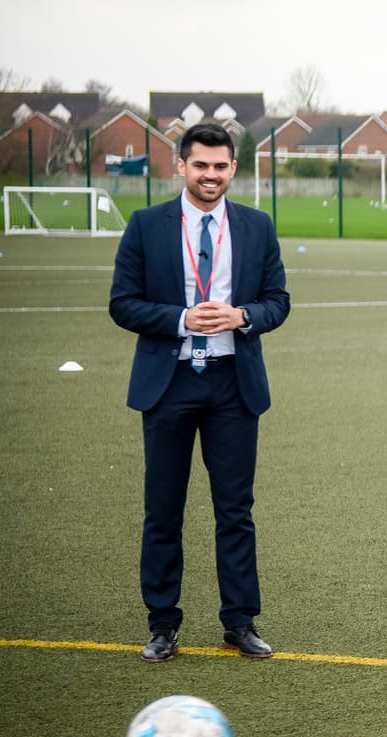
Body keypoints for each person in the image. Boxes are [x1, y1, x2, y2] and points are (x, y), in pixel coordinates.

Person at [110, 123, 290, 663]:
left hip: (234, 387)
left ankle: (240, 621)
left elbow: (279, 301)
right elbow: (123, 303)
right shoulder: (146, 225)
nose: (210, 175)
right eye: (200, 165)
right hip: (169, 383)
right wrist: (181, 318)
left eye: (220, 166)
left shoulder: (257, 226)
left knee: (235, 509)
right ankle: (162, 623)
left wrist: (243, 316)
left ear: (233, 169)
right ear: (180, 166)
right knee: (163, 509)